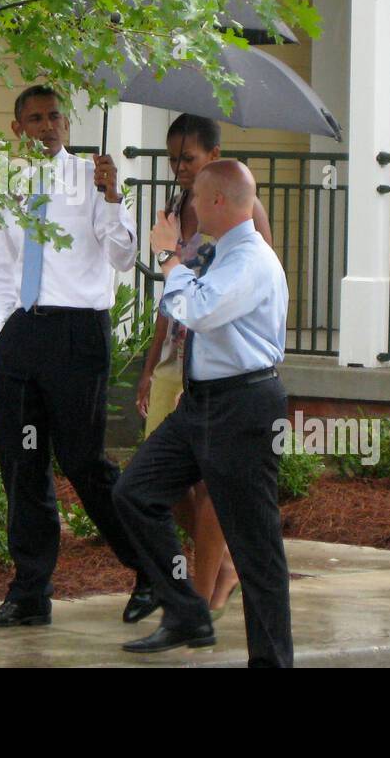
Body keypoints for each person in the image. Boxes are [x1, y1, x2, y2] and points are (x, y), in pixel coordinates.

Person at [0, 85, 156, 628]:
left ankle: (151, 568)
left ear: (68, 124)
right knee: (22, 464)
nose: (48, 126)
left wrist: (113, 197)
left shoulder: (93, 179)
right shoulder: (8, 187)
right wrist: (6, 329)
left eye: (56, 117)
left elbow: (123, 258)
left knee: (83, 462)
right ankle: (30, 593)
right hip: (24, 334)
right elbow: (1, 268)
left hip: (78, 337)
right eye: (35, 118)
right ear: (17, 128)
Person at [113, 159, 293, 665]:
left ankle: (273, 661)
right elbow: (193, 304)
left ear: (218, 201)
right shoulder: (220, 256)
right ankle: (187, 611)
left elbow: (196, 310)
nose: (188, 205)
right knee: (135, 493)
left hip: (244, 408)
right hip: (201, 405)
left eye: (196, 196)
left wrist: (170, 258)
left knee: (255, 546)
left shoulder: (250, 260)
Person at [134, 114, 273, 620]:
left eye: (187, 159)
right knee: (162, 483)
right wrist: (150, 366)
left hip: (221, 368)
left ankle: (200, 590)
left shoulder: (244, 212)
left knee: (212, 483)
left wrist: (173, 257)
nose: (177, 169)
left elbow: (245, 289)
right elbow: (168, 301)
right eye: (172, 159)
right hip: (177, 356)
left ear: (214, 157)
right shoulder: (179, 210)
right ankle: (221, 568)